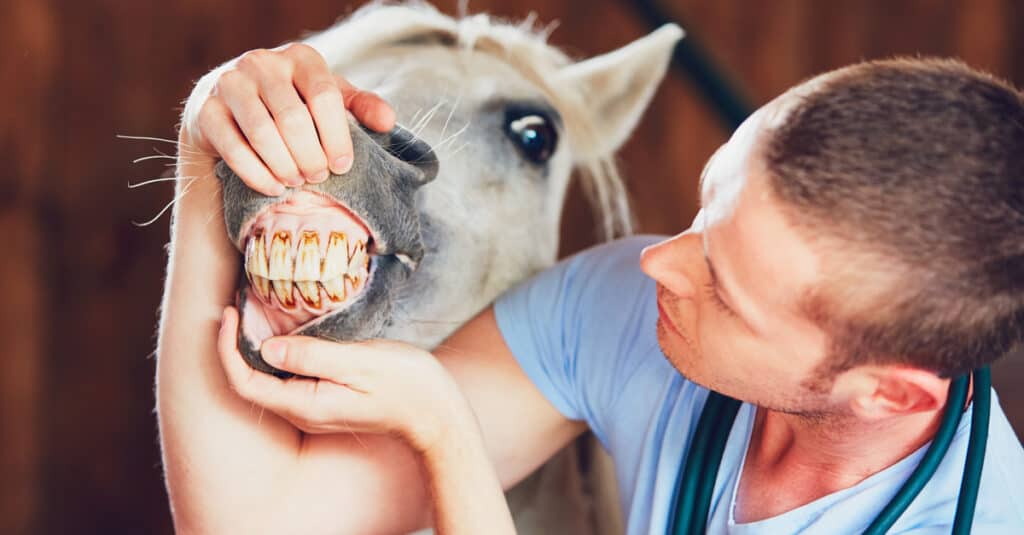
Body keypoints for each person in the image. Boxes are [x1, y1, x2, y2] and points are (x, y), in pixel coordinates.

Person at [157, 41, 1024, 533]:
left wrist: (443, 432)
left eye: (727, 289)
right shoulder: (632, 308)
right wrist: (214, 144)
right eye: (704, 211)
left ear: (888, 392)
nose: (657, 261)